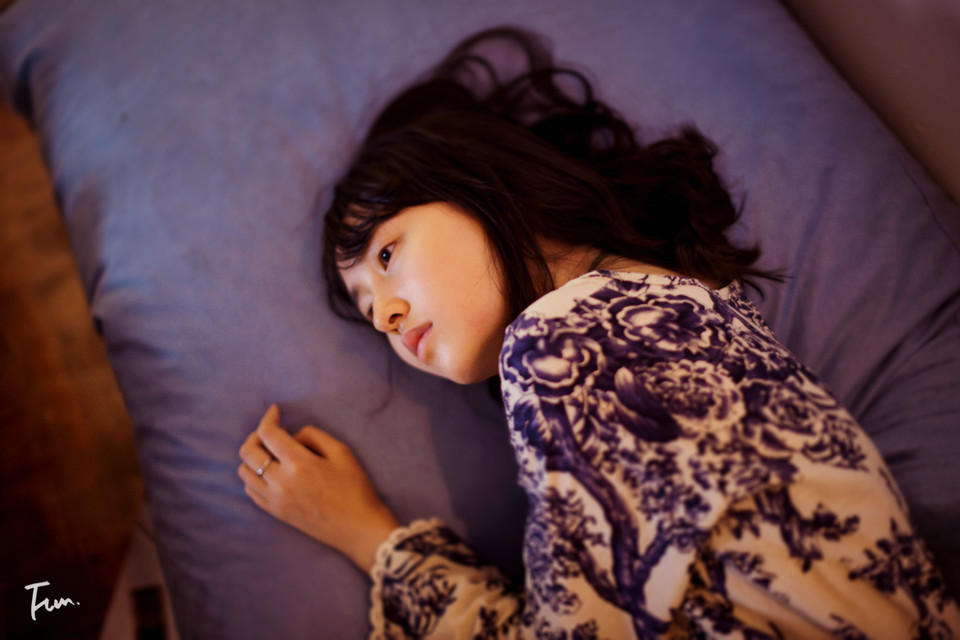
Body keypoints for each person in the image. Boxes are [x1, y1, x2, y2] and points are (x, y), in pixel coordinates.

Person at [238, 27, 960, 639]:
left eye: (387, 255)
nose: (386, 317)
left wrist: (365, 535)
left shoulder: (559, 344)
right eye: (368, 309)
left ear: (479, 184)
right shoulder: (702, 312)